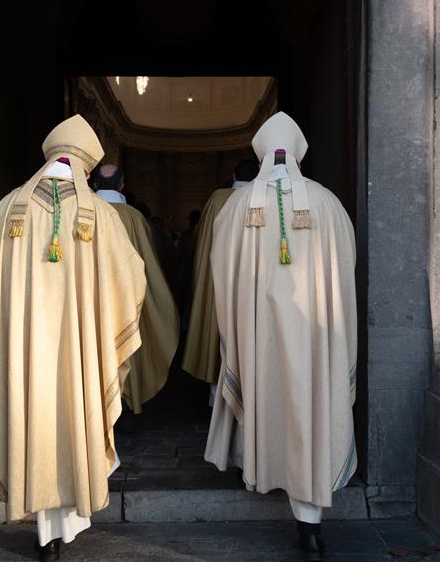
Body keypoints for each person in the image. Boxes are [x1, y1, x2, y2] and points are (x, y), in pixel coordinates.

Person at [0, 116, 146, 560]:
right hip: (81, 356)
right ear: (85, 166)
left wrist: (3, 322)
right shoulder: (101, 214)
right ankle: (62, 525)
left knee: (32, 417)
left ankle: (45, 534)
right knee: (76, 414)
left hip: (25, 352)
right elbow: (132, 280)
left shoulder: (7, 209)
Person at [204, 112, 357, 560]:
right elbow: (346, 270)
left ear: (261, 156)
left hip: (259, 333)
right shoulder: (327, 203)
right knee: (311, 406)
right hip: (316, 336)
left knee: (262, 391)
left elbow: (221, 275)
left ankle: (261, 467)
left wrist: (240, 318)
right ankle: (310, 523)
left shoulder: (237, 208)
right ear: (297, 154)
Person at [91, 164, 180, 415]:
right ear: (122, 186)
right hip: (126, 299)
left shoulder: (83, 210)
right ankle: (126, 406)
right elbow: (147, 262)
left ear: (94, 185)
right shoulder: (133, 216)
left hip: (90, 298)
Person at [181, 157, 258, 399]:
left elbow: (204, 241)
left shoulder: (218, 198)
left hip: (219, 278)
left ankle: (216, 397)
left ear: (234, 176)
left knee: (218, 332)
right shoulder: (261, 195)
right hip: (253, 279)